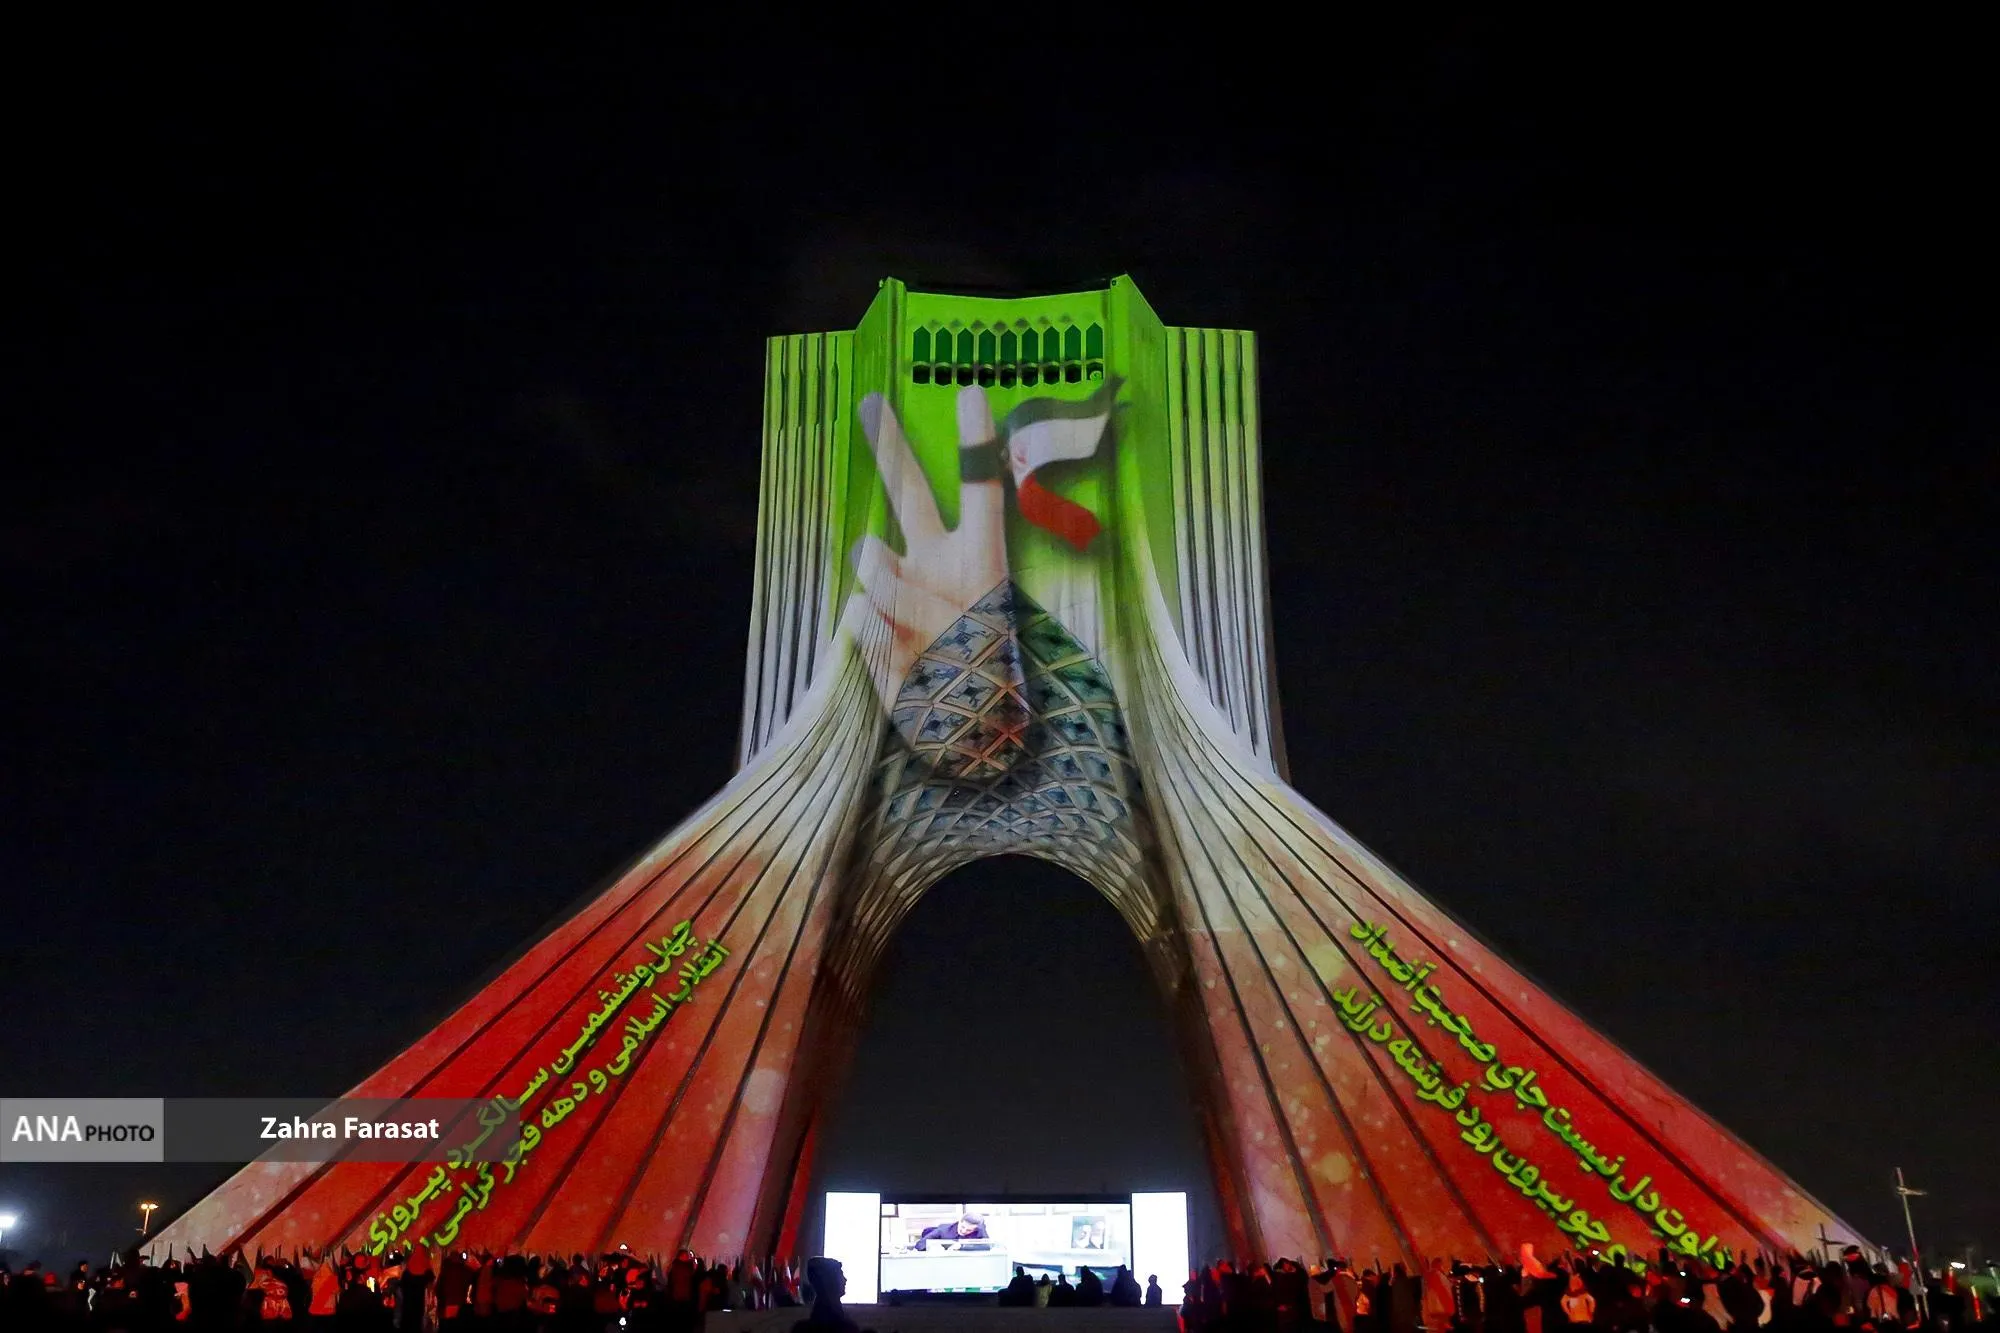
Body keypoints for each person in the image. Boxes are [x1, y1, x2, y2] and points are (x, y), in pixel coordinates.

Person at [792, 1257, 859, 1333]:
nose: (845, 1279)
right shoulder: (848, 1328)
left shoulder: (800, 1329)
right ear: (829, 1281)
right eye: (840, 1275)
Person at [914, 1215, 987, 1250]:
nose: (964, 1231)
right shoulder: (943, 1230)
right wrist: (933, 1247)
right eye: (962, 1227)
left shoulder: (979, 1230)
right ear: (959, 1222)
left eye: (969, 1230)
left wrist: (962, 1246)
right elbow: (920, 1244)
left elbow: (987, 1246)